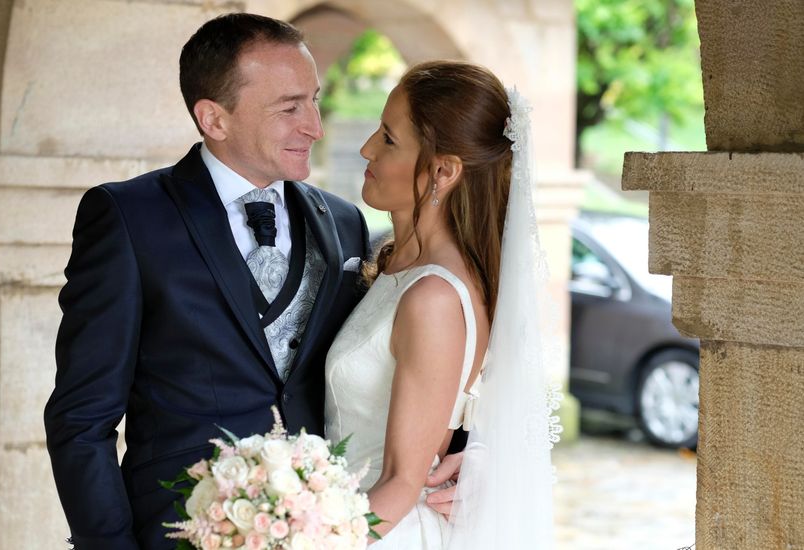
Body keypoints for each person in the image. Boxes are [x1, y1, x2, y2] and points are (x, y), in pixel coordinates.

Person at [43, 14, 373, 549]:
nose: (314, 124)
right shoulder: (130, 218)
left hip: (323, 529)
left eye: (314, 99)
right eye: (290, 107)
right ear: (214, 119)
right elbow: (82, 419)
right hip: (178, 529)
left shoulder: (343, 222)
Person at [325, 61, 559, 548]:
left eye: (389, 139)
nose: (367, 147)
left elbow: (400, 483)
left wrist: (304, 539)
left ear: (444, 171)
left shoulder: (433, 298)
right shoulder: (398, 264)